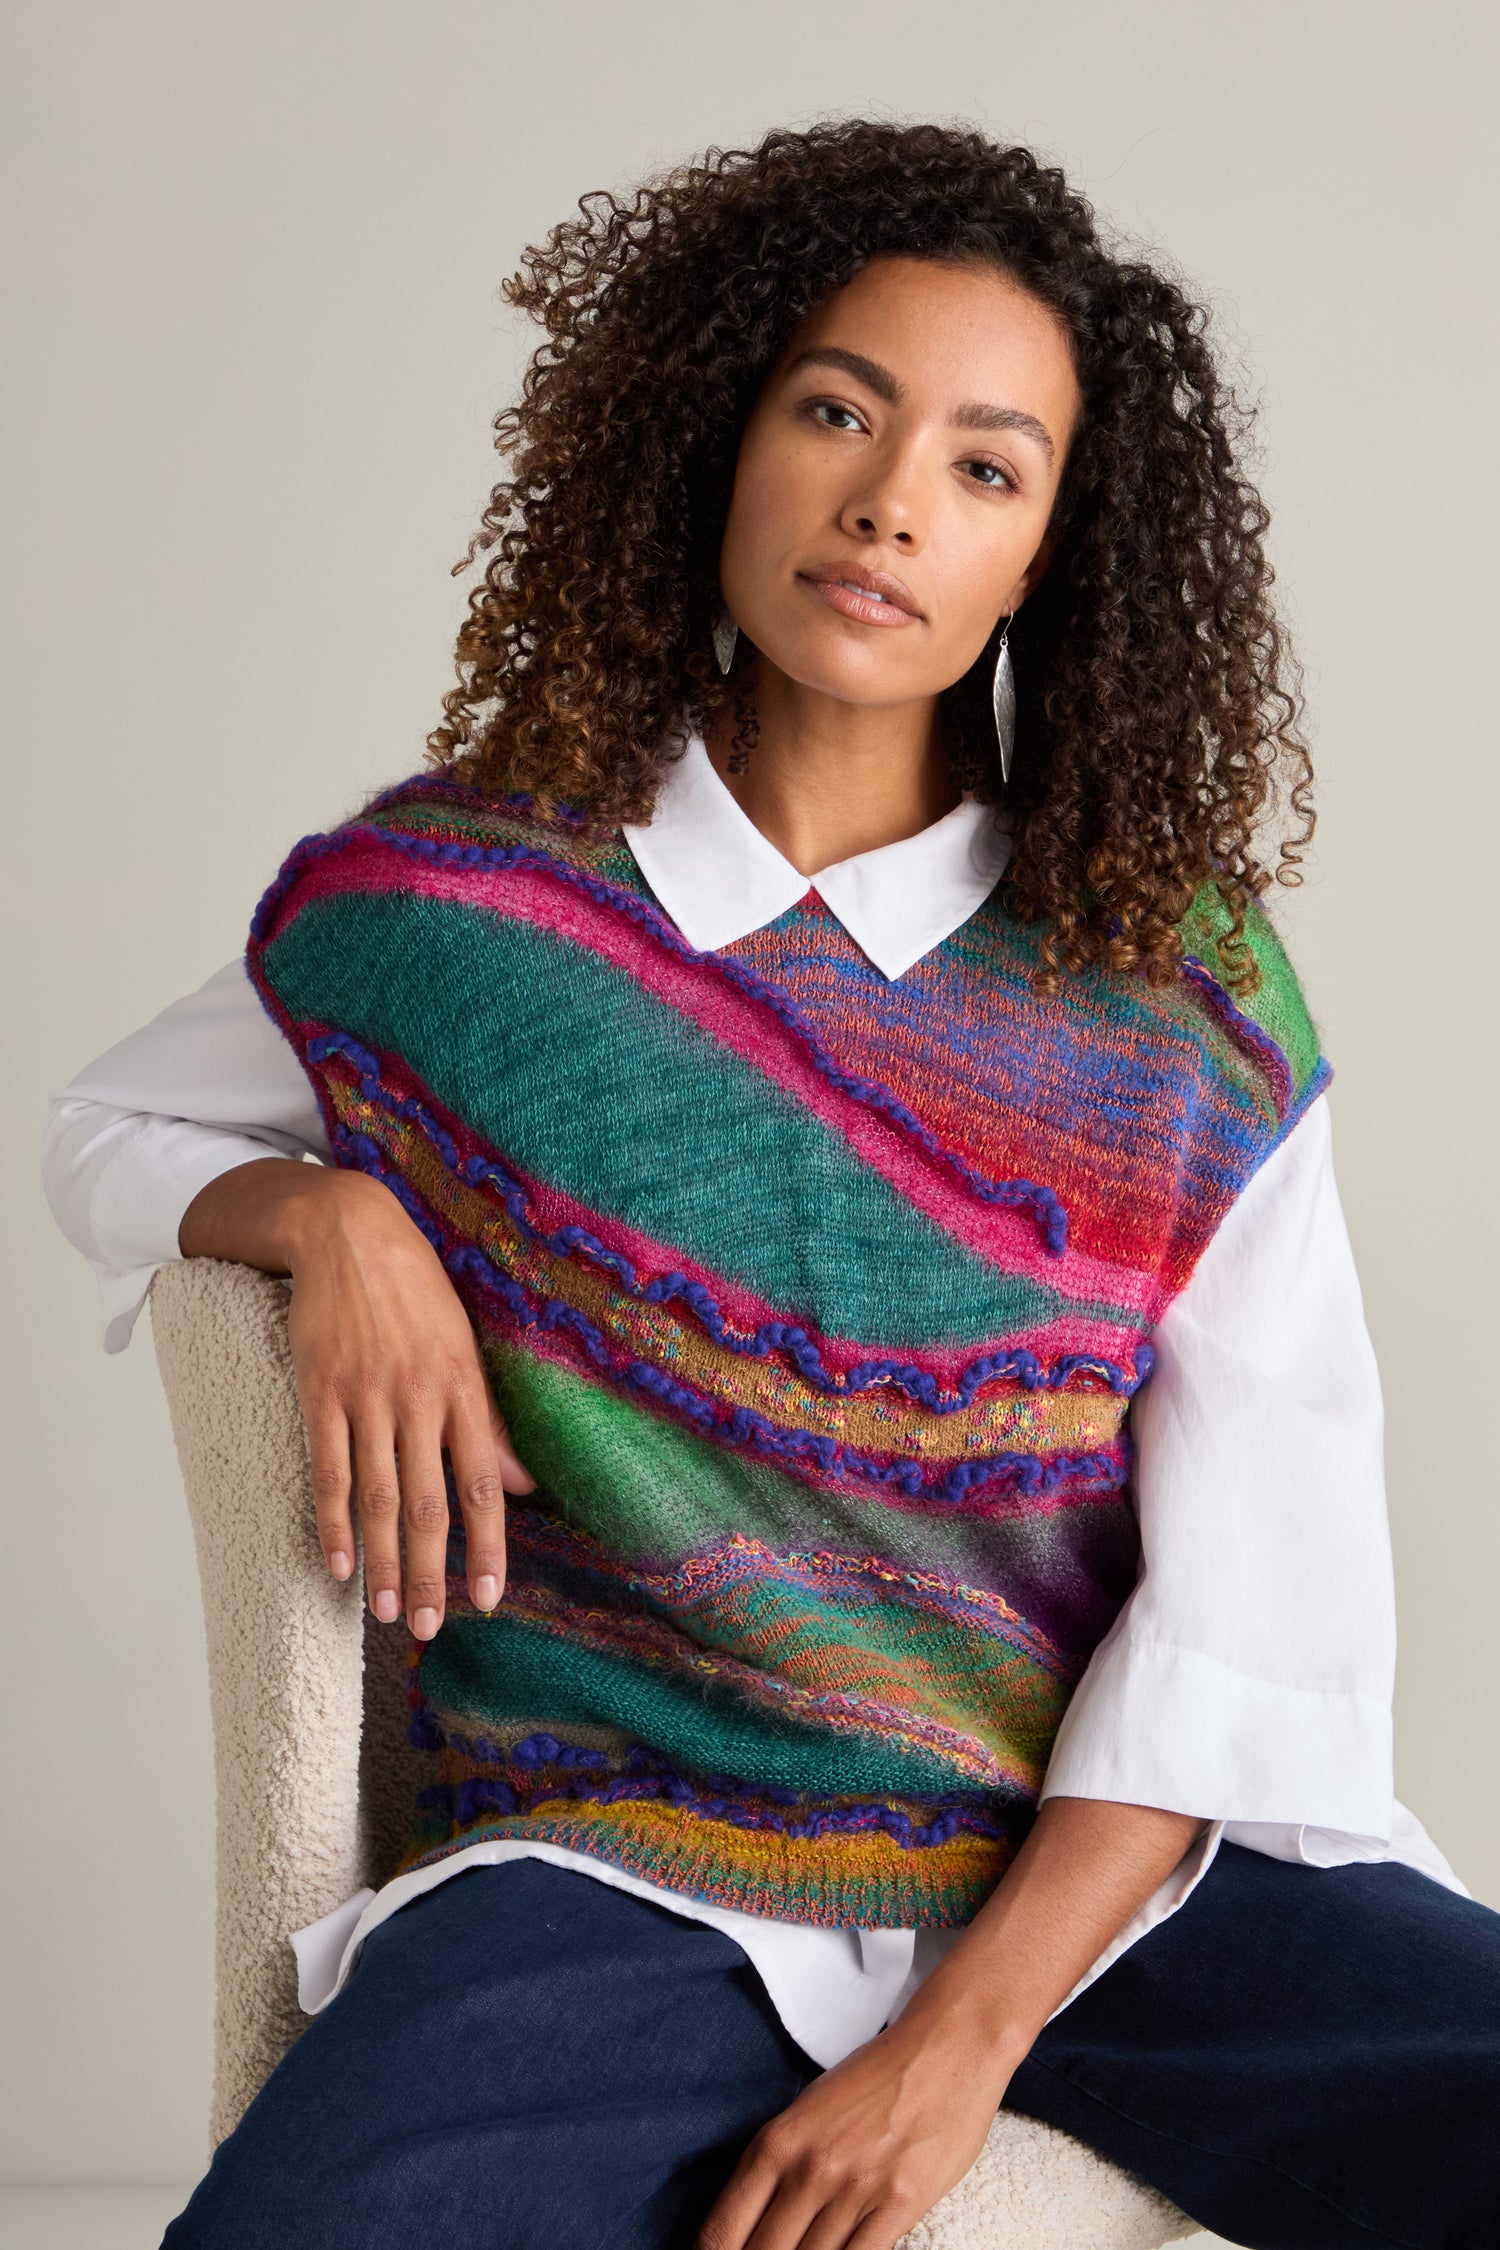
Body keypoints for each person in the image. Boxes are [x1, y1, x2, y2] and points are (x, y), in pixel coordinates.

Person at [41, 119, 1498, 2250]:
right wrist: (324, 1220)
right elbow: (108, 1134)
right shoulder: (462, 909)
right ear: (717, 437)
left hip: (1122, 1883)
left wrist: (954, 2053)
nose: (892, 501)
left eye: (987, 468)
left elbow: (1259, 1612)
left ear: (1048, 558)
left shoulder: (1182, 997)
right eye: (838, 409)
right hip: (628, 1855)